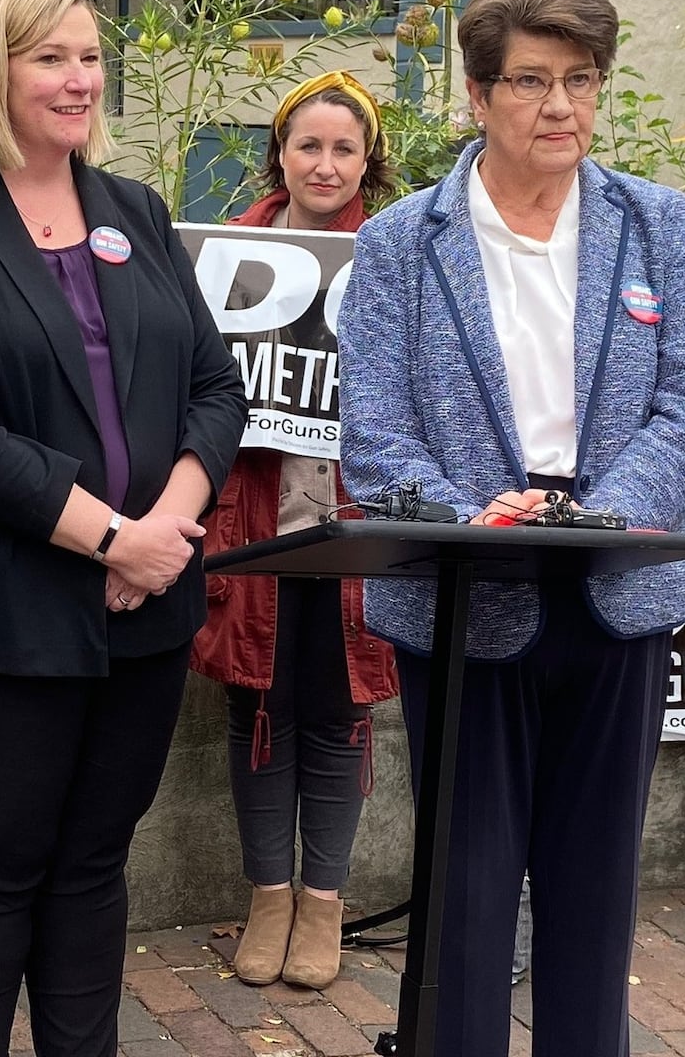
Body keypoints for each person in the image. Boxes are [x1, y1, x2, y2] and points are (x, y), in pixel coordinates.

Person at [338, 0, 685, 1055]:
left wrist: (599, 521)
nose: (560, 106)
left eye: (580, 80)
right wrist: (475, 520)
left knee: (594, 894)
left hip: (618, 591)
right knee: (463, 899)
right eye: (530, 81)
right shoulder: (401, 243)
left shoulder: (658, 226)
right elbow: (375, 430)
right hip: (465, 595)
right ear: (477, 94)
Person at [0, 0, 246, 1057]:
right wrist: (113, 539)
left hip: (144, 611)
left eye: (90, 57)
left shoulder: (136, 212)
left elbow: (215, 389)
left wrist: (164, 534)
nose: (81, 80)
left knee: (91, 868)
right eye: (50, 59)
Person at [191, 70, 398, 991]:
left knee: (342, 711)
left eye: (344, 148)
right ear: (279, 152)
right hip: (256, 518)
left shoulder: (391, 254)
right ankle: (268, 896)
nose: (325, 163)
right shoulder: (229, 254)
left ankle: (324, 902)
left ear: (367, 160)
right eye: (307, 145)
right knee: (260, 708)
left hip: (350, 523)